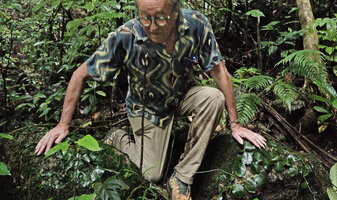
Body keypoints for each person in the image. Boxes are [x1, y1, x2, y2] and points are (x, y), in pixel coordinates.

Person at [35, 0, 266, 199]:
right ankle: (118, 138)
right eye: (145, 18)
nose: (152, 27)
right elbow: (80, 75)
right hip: (146, 109)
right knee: (152, 174)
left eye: (160, 18)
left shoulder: (196, 24)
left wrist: (235, 124)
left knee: (213, 97)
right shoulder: (126, 37)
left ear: (175, 12)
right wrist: (62, 125)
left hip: (180, 95)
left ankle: (182, 178)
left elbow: (220, 72)